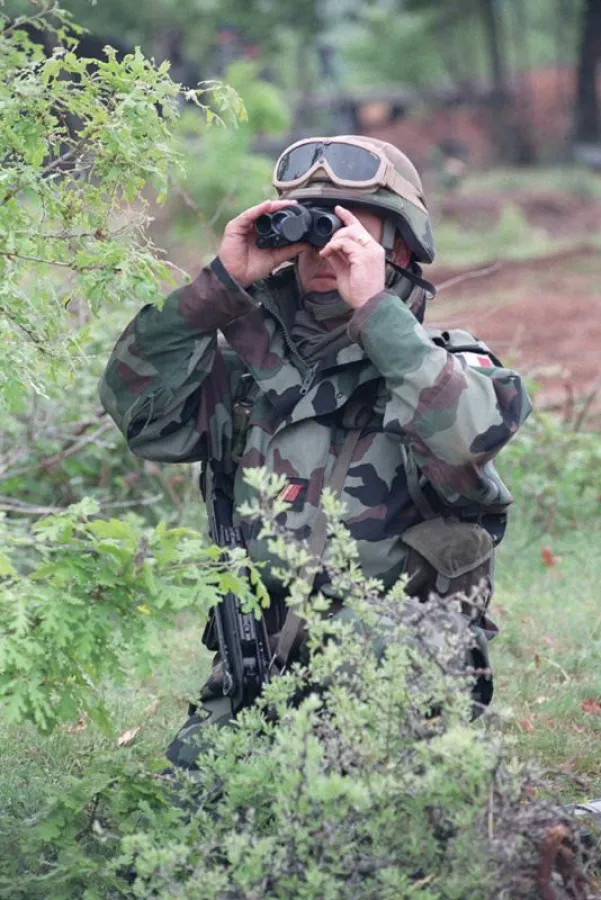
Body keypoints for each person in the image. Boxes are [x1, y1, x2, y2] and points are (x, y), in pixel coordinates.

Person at [99, 135, 532, 772]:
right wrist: (215, 289)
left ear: (401, 246)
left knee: (357, 839)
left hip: (397, 683)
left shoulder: (442, 365)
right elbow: (137, 410)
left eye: (349, 227)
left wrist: (376, 311)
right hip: (259, 675)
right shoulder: (247, 373)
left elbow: (469, 434)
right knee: (187, 824)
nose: (325, 247)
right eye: (311, 225)